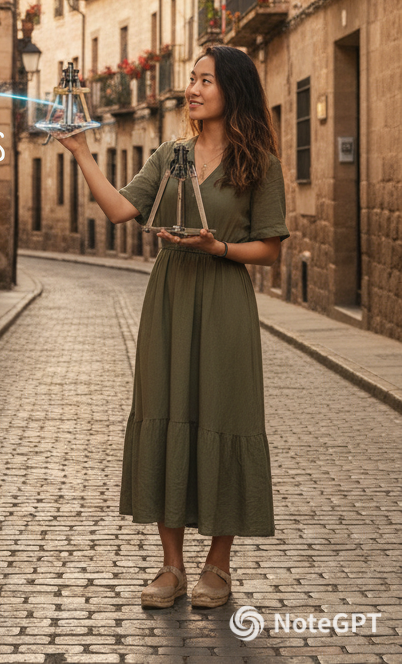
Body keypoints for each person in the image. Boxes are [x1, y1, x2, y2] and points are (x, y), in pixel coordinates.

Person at [58, 45, 288, 609]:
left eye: (206, 80)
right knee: (165, 412)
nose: (193, 88)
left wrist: (219, 247)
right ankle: (171, 566)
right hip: (169, 297)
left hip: (225, 300)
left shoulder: (258, 163)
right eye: (192, 79)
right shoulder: (170, 155)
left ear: (233, 89)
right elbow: (120, 210)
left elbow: (270, 250)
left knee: (225, 416)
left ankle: (218, 566)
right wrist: (82, 152)